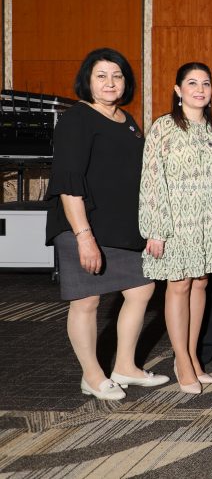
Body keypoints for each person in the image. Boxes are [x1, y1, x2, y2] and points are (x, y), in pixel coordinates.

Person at [45, 48, 170, 400]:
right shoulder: (77, 119)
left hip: (122, 226)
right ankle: (92, 375)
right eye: (101, 76)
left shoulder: (126, 120)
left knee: (141, 290)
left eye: (117, 76)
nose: (110, 82)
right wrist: (84, 236)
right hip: (84, 225)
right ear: (87, 81)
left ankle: (126, 367)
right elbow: (69, 183)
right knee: (86, 301)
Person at [139, 62, 212, 393]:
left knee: (201, 284)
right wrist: (155, 229)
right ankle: (180, 359)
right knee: (179, 285)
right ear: (178, 90)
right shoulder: (163, 127)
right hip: (176, 219)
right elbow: (152, 180)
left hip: (209, 218)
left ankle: (192, 356)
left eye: (205, 83)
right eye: (192, 83)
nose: (200, 89)